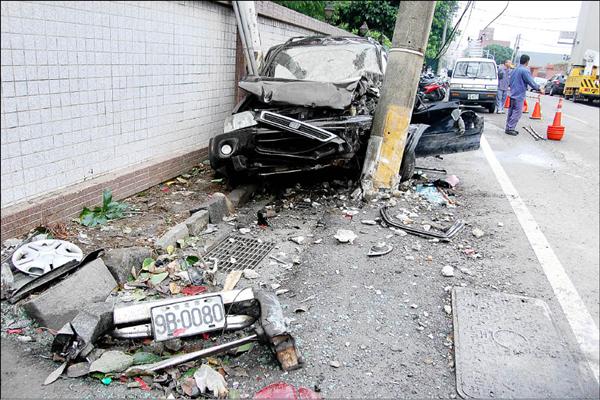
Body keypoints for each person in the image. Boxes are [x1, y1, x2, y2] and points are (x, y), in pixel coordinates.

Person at [505, 54, 541, 136]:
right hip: (519, 94)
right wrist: (538, 88)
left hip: (512, 93)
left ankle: (508, 127)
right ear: (527, 61)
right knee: (517, 112)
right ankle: (510, 128)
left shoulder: (514, 69)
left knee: (511, 112)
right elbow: (531, 82)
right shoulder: (524, 70)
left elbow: (510, 81)